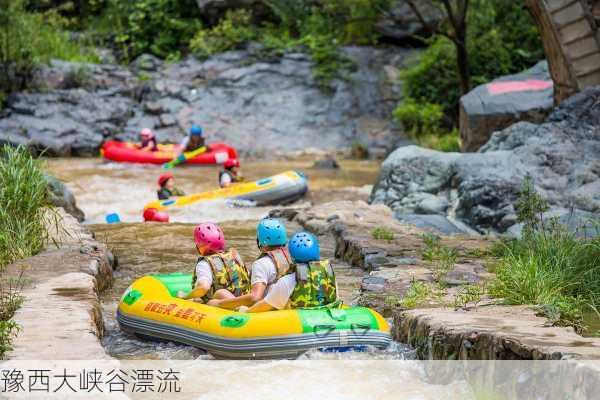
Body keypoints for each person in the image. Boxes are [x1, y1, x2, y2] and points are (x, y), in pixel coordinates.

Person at [207, 218, 294, 311]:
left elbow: (255, 297)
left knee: (220, 293)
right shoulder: (291, 257)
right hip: (286, 303)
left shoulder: (261, 264)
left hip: (266, 309)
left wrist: (218, 303)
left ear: (260, 241)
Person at [239, 231, 338, 313]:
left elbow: (264, 306)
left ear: (291, 256)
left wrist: (246, 311)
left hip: (296, 325)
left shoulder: (287, 281)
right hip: (327, 320)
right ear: (317, 250)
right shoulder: (329, 273)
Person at [178, 223, 251, 303]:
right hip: (244, 297)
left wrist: (186, 297)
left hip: (226, 304)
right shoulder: (234, 255)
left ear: (200, 246)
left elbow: (203, 287)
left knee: (217, 294)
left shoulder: (204, 264)